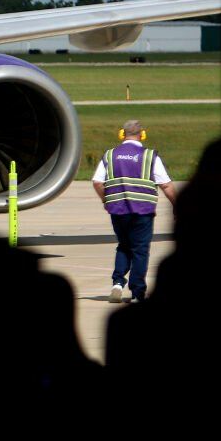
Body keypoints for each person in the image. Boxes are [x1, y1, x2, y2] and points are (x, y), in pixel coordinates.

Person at [91, 119, 176, 303]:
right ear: (142, 134)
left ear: (122, 134)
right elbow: (166, 185)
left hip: (118, 209)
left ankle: (117, 283)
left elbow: (97, 181)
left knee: (124, 245)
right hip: (142, 211)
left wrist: (105, 199)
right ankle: (137, 292)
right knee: (140, 250)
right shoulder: (149, 156)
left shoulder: (110, 155)